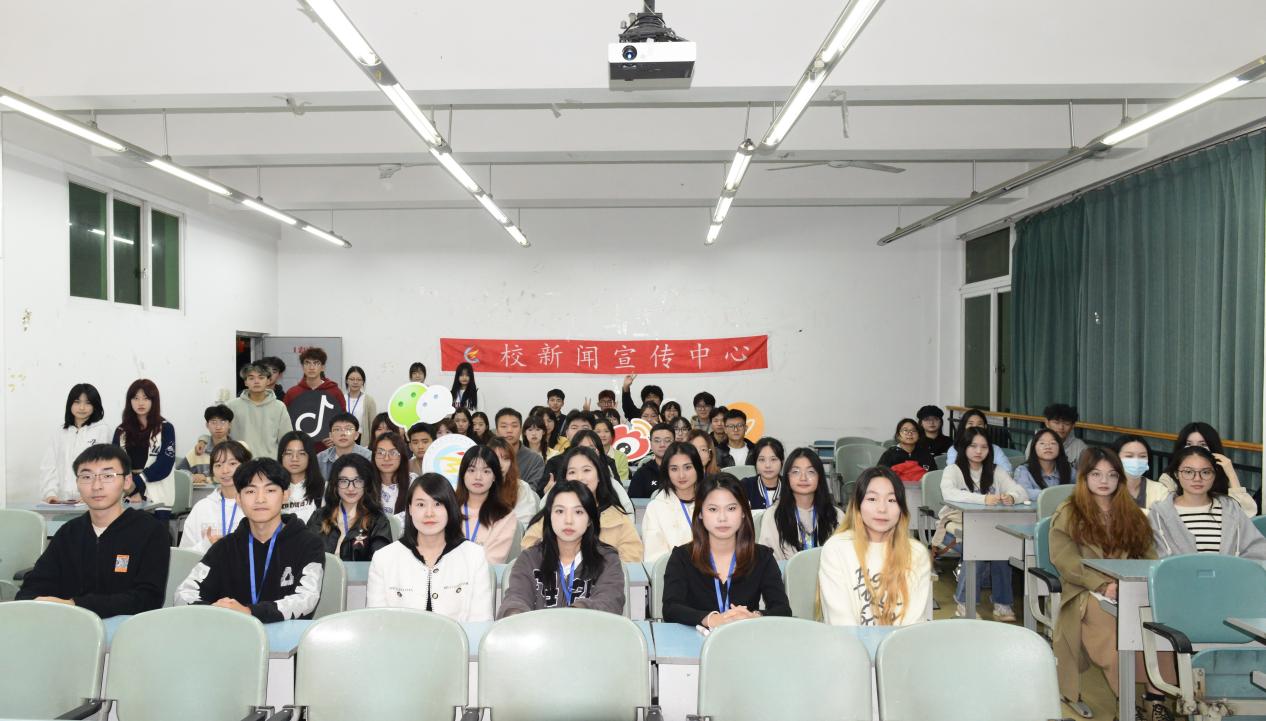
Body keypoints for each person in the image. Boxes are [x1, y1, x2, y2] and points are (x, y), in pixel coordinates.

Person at [1049, 448, 1161, 718]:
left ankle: (1156, 701)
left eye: (1111, 475)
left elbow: (1150, 557)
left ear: (1119, 479)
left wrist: (1141, 585)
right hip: (1085, 590)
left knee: (1157, 630)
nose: (1104, 481)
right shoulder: (1069, 512)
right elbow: (1066, 561)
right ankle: (1127, 704)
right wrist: (1102, 585)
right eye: (1096, 474)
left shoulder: (1132, 513)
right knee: (1113, 634)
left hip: (1129, 589)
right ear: (1084, 477)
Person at [18, 445, 170, 616]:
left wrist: (75, 605)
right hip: (70, 624)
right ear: (77, 483)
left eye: (108, 476)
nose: (96, 485)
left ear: (127, 481)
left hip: (126, 626)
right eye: (87, 477)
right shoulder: (69, 533)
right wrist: (34, 602)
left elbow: (148, 599)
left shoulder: (150, 531)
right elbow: (34, 586)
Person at [175, 458, 325, 622]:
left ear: (285, 495)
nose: (260, 499)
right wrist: (214, 611)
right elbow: (184, 593)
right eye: (250, 491)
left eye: (270, 490)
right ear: (238, 498)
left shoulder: (308, 544)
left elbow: (306, 599)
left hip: (287, 636)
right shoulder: (225, 547)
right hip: (233, 634)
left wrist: (250, 612)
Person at [662, 473, 791, 628]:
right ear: (700, 513)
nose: (722, 518)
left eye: (731, 508)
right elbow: (671, 608)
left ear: (743, 512)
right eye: (713, 509)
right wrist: (710, 619)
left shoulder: (762, 557)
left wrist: (754, 616)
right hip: (695, 640)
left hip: (745, 638)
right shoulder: (682, 557)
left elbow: (783, 609)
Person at [366, 474, 494, 621]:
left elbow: (481, 622)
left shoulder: (474, 556)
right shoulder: (383, 559)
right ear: (410, 509)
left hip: (458, 637)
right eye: (421, 505)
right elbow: (376, 623)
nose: (429, 513)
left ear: (450, 508)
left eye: (437, 504)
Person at [819, 466, 932, 626]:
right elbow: (840, 622)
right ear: (857, 505)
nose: (882, 509)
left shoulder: (916, 553)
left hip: (900, 641)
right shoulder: (836, 549)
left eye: (892, 500)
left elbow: (913, 624)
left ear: (901, 508)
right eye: (872, 499)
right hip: (847, 640)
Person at [498, 480, 626, 617]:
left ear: (590, 519)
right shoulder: (529, 559)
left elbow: (610, 602)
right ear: (549, 516)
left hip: (589, 630)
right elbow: (516, 598)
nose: (568, 520)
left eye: (578, 512)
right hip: (539, 630)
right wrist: (515, 614)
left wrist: (571, 616)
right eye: (560, 511)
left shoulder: (607, 560)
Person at [937, 427, 1026, 620]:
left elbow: (1020, 491)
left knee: (1002, 551)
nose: (979, 451)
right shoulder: (953, 470)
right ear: (964, 447)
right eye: (973, 446)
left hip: (988, 528)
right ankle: (964, 604)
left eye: (984, 447)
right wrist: (983, 499)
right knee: (976, 550)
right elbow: (949, 493)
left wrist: (1012, 497)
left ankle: (1002, 603)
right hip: (955, 527)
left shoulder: (996, 470)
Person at [522, 446, 643, 561]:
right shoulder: (550, 513)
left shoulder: (618, 518)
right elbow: (529, 549)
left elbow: (632, 558)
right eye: (572, 472)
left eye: (586, 470)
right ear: (565, 478)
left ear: (599, 476)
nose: (579, 477)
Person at [1148, 445, 1266, 559]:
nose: (1197, 478)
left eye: (1205, 472)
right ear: (1176, 474)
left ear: (1214, 475)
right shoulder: (1159, 514)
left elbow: (1257, 551)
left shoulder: (1231, 509)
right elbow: (1149, 556)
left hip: (1228, 573)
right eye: (1188, 472)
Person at [756, 448, 843, 560]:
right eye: (796, 472)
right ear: (787, 477)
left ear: (820, 477)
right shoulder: (773, 516)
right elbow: (770, 561)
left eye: (810, 472)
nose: (803, 478)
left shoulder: (836, 515)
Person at [306, 453, 392, 562]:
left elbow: (381, 563)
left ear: (367, 484)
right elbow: (305, 555)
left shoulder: (378, 521)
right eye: (344, 481)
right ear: (335, 484)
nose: (351, 488)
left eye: (358, 481)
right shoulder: (319, 517)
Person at [1157, 422, 1256, 515]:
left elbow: (1247, 513)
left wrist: (1231, 473)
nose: (1195, 450)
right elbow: (1166, 513)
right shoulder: (1169, 477)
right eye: (1189, 444)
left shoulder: (1221, 472)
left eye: (1203, 445)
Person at [41, 383, 112, 502]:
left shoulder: (102, 431)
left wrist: (91, 494)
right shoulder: (60, 432)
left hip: (92, 500)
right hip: (61, 501)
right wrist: (50, 493)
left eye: (88, 403)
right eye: (77, 402)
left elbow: (104, 467)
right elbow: (49, 466)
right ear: (70, 404)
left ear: (95, 405)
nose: (82, 407)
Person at [111, 379, 177, 505]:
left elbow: (165, 464)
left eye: (146, 398)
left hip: (158, 494)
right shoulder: (121, 431)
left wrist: (136, 483)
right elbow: (114, 463)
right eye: (136, 398)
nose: (140, 403)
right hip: (127, 495)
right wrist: (131, 490)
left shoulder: (166, 428)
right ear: (129, 401)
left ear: (154, 401)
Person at [180, 441, 252, 553]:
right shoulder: (201, 507)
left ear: (246, 466)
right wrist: (206, 545)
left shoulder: (255, 505)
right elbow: (184, 554)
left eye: (232, 463)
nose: (225, 470)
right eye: (218, 465)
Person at [642, 441, 705, 562]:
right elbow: (654, 558)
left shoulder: (712, 502)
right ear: (667, 472)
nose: (681, 475)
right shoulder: (656, 508)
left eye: (687, 467)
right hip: (674, 571)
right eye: (674, 469)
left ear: (697, 468)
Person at [456, 445, 518, 564]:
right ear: (463, 474)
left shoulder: (504, 515)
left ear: (494, 476)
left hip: (484, 574)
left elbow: (493, 560)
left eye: (486, 471)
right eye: (472, 470)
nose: (478, 477)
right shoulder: (448, 508)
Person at [282, 348, 348, 449]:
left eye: (316, 363)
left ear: (323, 367)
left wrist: (335, 438)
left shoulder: (335, 392)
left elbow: (343, 420)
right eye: (307, 363)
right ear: (302, 367)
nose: (311, 367)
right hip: (300, 448)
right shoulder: (292, 393)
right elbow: (284, 422)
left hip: (328, 449)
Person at [226, 362, 293, 460]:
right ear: (245, 382)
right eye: (251, 378)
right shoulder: (231, 406)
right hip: (240, 462)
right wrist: (204, 440)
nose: (256, 381)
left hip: (270, 463)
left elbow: (287, 439)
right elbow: (219, 433)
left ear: (268, 381)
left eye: (261, 377)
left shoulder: (279, 407)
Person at [177, 406, 241, 484]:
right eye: (214, 422)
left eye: (223, 422)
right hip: (204, 492)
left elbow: (246, 474)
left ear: (230, 425)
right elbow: (178, 474)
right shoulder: (199, 451)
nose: (218, 427)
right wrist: (192, 477)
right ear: (207, 425)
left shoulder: (239, 449)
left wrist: (207, 479)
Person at [487, 436, 542, 527]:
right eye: (495, 458)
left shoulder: (521, 487)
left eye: (506, 458)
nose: (500, 464)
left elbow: (525, 525)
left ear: (511, 462)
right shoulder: (478, 485)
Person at [1109, 434, 1170, 513]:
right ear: (1115, 457)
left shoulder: (1160, 490)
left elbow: (1166, 517)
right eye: (1129, 456)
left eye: (1142, 456)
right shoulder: (1106, 488)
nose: (1136, 461)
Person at [1012, 428, 1074, 502]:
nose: (1048, 447)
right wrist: (1056, 494)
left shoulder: (1068, 470)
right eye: (1042, 443)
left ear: (1060, 448)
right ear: (1034, 448)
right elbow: (1023, 492)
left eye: (1053, 443)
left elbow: (1081, 489)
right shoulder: (1023, 470)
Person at [943, 409, 1013, 472]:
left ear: (985, 427)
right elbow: (954, 472)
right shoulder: (954, 449)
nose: (975, 427)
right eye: (970, 424)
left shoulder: (995, 449)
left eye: (979, 424)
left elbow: (1007, 470)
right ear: (964, 427)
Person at [278, 431, 324, 521]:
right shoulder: (272, 489)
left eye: (301, 453)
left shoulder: (323, 488)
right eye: (288, 453)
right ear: (281, 456)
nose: (294, 458)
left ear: (310, 457)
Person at [1023, 403, 1088, 465]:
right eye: (1056, 423)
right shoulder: (1034, 443)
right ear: (1047, 423)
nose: (1061, 427)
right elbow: (1029, 468)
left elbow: (1084, 471)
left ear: (1073, 425)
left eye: (1066, 424)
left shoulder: (1080, 447)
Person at [496, 408, 545, 490]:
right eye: (504, 426)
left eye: (514, 426)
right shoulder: (488, 456)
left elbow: (533, 492)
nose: (509, 430)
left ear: (521, 430)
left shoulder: (535, 460)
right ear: (497, 431)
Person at [315, 412, 372, 479]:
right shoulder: (320, 459)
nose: (343, 434)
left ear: (356, 435)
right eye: (337, 429)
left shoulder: (368, 457)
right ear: (331, 436)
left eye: (348, 429)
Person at [371, 431, 414, 514]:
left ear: (402, 456)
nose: (386, 458)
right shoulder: (366, 483)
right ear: (374, 456)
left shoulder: (413, 482)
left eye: (393, 453)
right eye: (381, 453)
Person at [628, 423, 675, 498]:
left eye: (667, 440)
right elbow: (634, 502)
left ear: (674, 443)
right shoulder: (641, 474)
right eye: (657, 441)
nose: (662, 444)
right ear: (650, 444)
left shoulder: (682, 471)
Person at [741, 437, 785, 510]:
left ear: (782, 462)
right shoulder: (745, 486)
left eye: (773, 459)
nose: (767, 465)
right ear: (755, 463)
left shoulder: (790, 486)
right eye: (762, 460)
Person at [593, 416, 630, 482]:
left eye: (606, 431)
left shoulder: (621, 456)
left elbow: (623, 481)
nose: (603, 435)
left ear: (612, 434)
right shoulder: (588, 454)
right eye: (598, 432)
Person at [343, 365, 377, 433]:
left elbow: (373, 424)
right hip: (344, 435)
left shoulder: (369, 400)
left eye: (359, 379)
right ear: (347, 381)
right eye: (352, 379)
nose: (355, 382)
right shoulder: (342, 398)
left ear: (363, 382)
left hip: (362, 437)